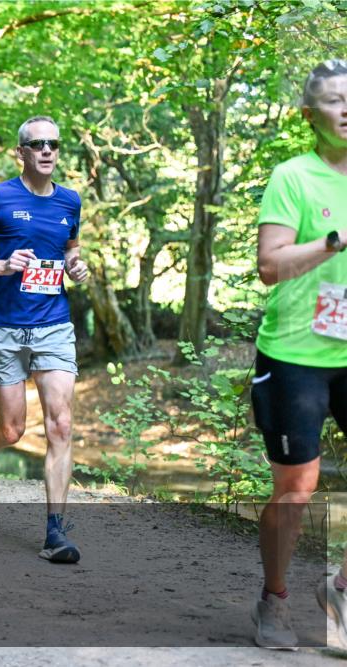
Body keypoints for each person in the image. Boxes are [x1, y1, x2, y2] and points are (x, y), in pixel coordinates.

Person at [0, 115, 89, 564]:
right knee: (11, 429)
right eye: (37, 144)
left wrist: (76, 266)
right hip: (3, 327)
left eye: (54, 144)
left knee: (60, 425)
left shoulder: (70, 201)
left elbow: (70, 249)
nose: (47, 151)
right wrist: (2, 266)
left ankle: (55, 533)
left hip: (53, 325)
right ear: (21, 153)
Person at [250, 59, 347, 650]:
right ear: (311, 115)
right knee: (298, 486)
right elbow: (270, 265)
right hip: (296, 353)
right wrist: (337, 239)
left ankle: (339, 587)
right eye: (336, 101)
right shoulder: (294, 177)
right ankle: (275, 598)